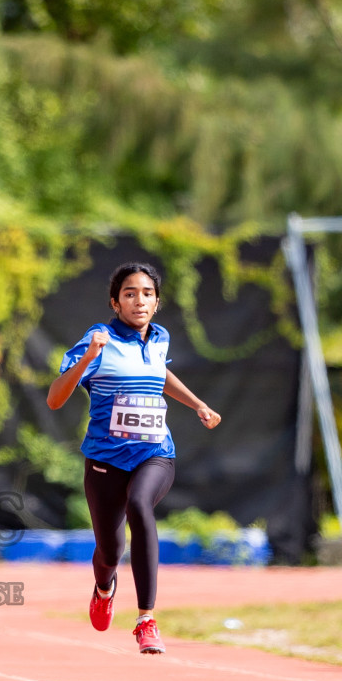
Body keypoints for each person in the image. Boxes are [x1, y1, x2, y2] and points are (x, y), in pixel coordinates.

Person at [46, 262, 221, 653]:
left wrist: (197, 405)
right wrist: (89, 357)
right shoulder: (98, 338)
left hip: (155, 452)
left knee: (140, 505)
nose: (138, 300)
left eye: (146, 293)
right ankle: (104, 588)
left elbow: (160, 374)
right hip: (105, 460)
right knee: (109, 551)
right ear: (115, 302)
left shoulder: (159, 338)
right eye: (129, 293)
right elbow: (55, 398)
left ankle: (146, 619)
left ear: (157, 302)